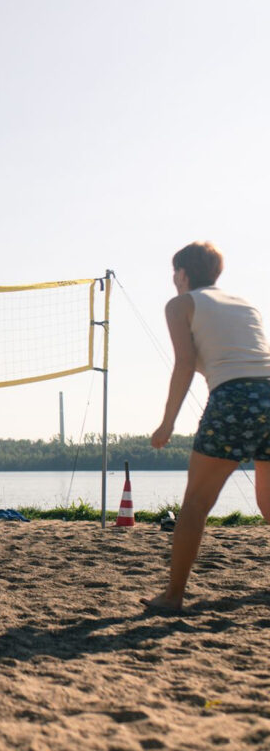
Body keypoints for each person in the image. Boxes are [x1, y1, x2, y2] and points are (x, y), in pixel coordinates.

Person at [144, 242, 270, 612]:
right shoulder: (244, 303)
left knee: (195, 504)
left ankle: (173, 596)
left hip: (235, 398)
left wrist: (167, 423)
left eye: (174, 272)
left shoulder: (180, 304)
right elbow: (229, 359)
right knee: (268, 503)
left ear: (182, 274)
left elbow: (185, 364)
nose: (173, 278)